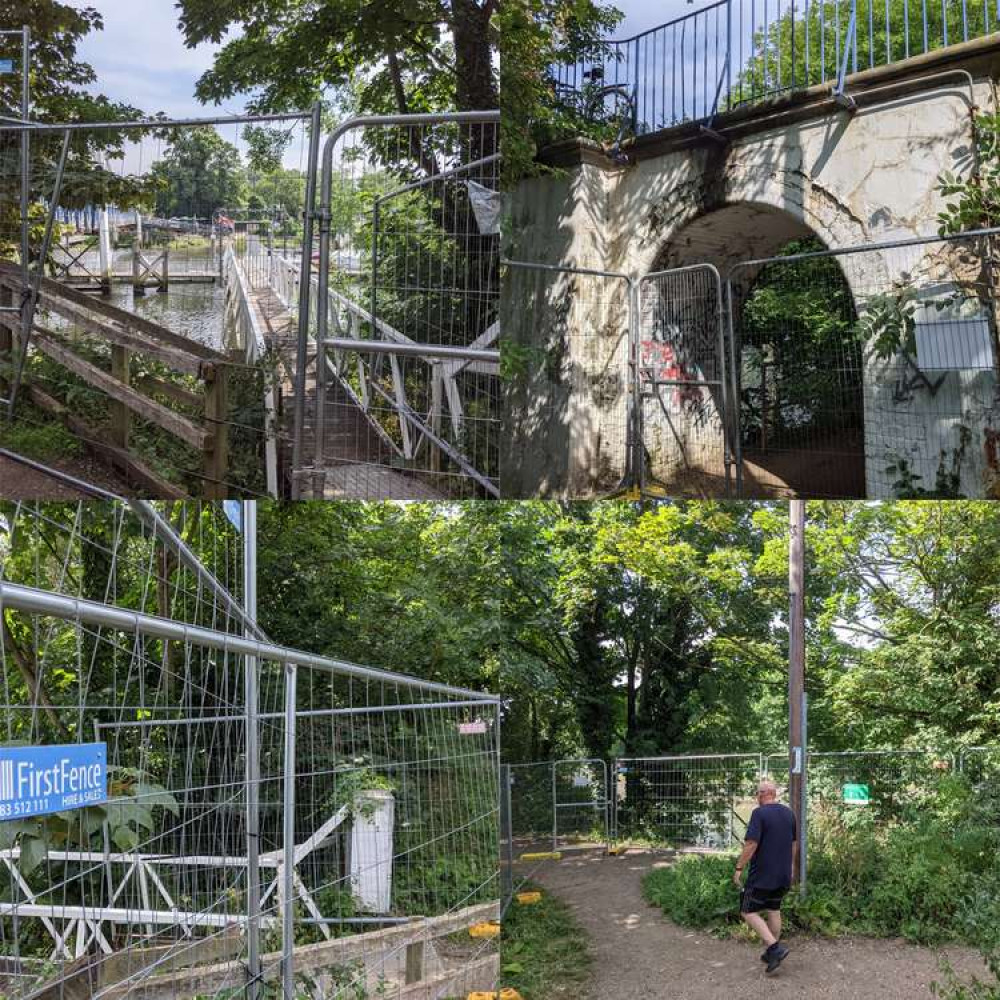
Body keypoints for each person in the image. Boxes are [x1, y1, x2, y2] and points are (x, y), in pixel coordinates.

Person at [732, 779, 797, 974]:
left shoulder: (759, 813)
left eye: (757, 794)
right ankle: (772, 954)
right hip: (783, 874)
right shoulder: (789, 813)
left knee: (747, 910)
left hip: (762, 875)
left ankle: (774, 948)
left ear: (761, 795)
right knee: (773, 909)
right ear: (774, 794)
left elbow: (751, 844)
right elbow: (794, 844)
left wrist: (739, 868)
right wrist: (791, 868)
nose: (756, 797)